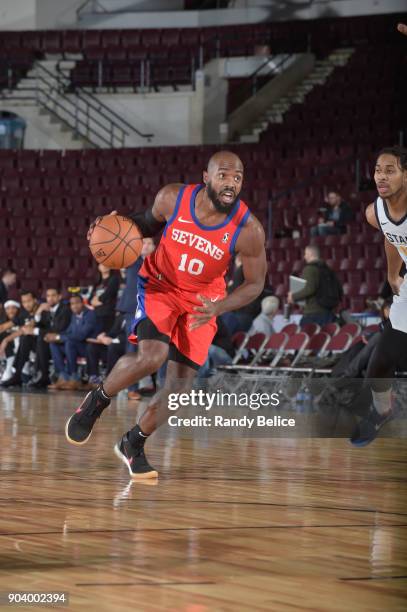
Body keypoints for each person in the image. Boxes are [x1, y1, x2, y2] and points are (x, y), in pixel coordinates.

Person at [65, 150, 267, 479]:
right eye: (223, 175)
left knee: (179, 390)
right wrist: (113, 226)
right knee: (151, 357)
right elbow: (145, 223)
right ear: (206, 177)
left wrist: (220, 306)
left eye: (238, 177)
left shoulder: (249, 230)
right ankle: (98, 400)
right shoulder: (173, 197)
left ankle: (133, 442)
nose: (231, 183)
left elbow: (255, 284)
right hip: (160, 286)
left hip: (203, 303)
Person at [350, 146, 407, 446]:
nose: (381, 177)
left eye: (390, 170)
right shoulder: (376, 213)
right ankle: (382, 411)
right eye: (377, 170)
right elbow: (391, 236)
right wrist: (391, 274)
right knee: (379, 362)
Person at [117, 237, 156, 400]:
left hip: (154, 311)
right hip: (134, 310)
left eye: (149, 243)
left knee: (153, 349)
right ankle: (130, 387)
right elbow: (119, 249)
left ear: (155, 246)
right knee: (132, 348)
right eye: (143, 243)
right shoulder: (132, 260)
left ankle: (156, 386)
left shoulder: (161, 263)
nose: (145, 245)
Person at [47, 294, 98, 391]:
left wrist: (58, 337)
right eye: (72, 304)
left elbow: (81, 335)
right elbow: (68, 331)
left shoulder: (90, 314)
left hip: (88, 347)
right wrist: (54, 337)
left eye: (77, 303)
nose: (74, 306)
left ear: (82, 303)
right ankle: (64, 376)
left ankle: (74, 377)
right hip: (75, 346)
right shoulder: (74, 315)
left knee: (69, 342)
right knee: (53, 344)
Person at [26, 288, 72, 389]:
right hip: (48, 339)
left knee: (41, 339)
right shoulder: (46, 309)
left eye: (53, 295)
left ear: (59, 297)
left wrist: (37, 331)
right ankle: (32, 373)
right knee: (27, 338)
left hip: (63, 339)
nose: (50, 298)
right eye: (48, 296)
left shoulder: (65, 309)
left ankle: (42, 375)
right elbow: (40, 324)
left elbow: (59, 329)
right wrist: (38, 311)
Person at [287, 245, 342, 326]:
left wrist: (293, 296)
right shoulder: (328, 269)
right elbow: (339, 289)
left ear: (311, 254)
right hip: (328, 312)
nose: (304, 256)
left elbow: (309, 289)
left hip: (313, 313)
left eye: (305, 254)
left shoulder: (310, 269)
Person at [0, 291, 40, 387]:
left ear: (35, 300)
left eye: (28, 301)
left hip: (39, 347)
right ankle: (17, 373)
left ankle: (18, 372)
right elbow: (2, 327)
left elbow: (25, 329)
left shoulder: (41, 311)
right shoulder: (23, 314)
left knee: (23, 338)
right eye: (24, 302)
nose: (26, 304)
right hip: (24, 350)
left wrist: (6, 340)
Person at [86, 313, 127, 387]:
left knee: (113, 346)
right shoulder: (121, 316)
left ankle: (109, 378)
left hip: (127, 347)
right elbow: (113, 331)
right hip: (114, 343)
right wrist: (104, 336)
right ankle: (94, 377)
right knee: (92, 347)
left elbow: (132, 336)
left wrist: (113, 340)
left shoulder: (138, 315)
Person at [89, 264, 120, 333]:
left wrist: (97, 300)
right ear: (98, 267)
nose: (105, 265)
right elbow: (90, 299)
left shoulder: (114, 279)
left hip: (108, 314)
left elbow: (107, 295)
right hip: (96, 314)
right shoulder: (97, 282)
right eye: (102, 263)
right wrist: (100, 301)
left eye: (107, 263)